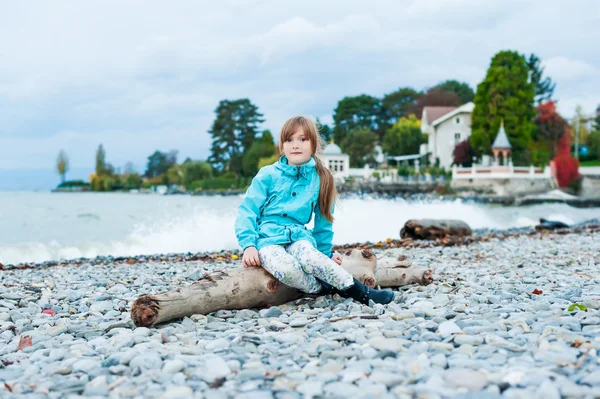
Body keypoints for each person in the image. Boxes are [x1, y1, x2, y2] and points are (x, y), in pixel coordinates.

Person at [234, 116, 394, 305]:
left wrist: (324, 254)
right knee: (286, 269)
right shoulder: (268, 174)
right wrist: (249, 245)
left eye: (303, 139)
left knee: (313, 258)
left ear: (314, 144)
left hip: (299, 237)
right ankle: (321, 288)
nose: (296, 145)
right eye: (289, 140)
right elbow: (247, 211)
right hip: (266, 240)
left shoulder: (322, 178)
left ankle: (362, 293)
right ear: (282, 145)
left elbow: (323, 223)